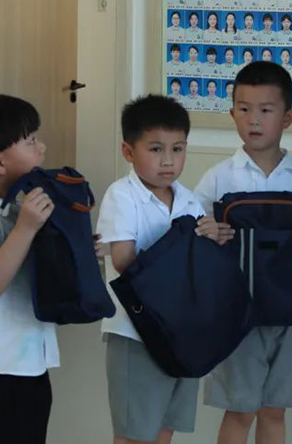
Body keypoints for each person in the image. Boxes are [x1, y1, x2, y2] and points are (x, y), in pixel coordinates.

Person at [0, 95, 96, 444]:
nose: (42, 148)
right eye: (30, 141)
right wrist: (26, 229)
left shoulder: (16, 212)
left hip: (31, 369)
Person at [193, 62, 292, 444]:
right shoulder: (219, 177)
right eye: (244, 108)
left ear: (288, 117)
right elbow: (194, 229)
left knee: (275, 409)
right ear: (232, 112)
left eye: (266, 110)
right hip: (237, 311)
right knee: (240, 408)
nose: (253, 120)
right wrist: (207, 230)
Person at [97, 95, 230, 444]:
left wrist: (211, 238)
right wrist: (182, 245)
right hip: (135, 332)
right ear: (128, 151)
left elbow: (200, 266)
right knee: (134, 431)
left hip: (181, 331)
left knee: (165, 427)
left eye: (178, 149)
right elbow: (124, 261)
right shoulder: (121, 195)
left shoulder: (189, 200)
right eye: (156, 149)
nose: (168, 160)